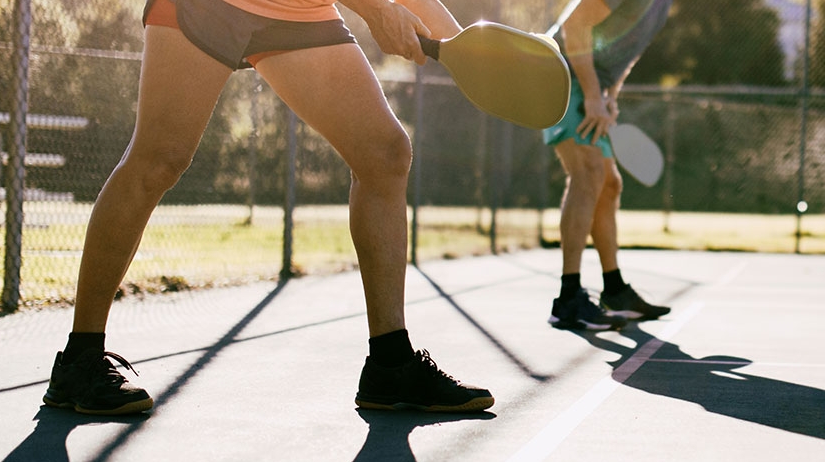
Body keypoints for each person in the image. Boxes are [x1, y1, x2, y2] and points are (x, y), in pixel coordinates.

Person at [42, 0, 493, 415]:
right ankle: (79, 359)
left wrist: (462, 45)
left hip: (298, 11)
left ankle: (391, 365)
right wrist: (376, 11)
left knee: (384, 153)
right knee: (159, 158)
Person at [543, 0, 674, 331]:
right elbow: (575, 28)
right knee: (587, 174)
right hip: (559, 73)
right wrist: (592, 96)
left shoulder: (661, 5)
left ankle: (614, 290)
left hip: (588, 82)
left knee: (609, 184)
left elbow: (629, 51)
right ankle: (567, 298)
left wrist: (609, 94)